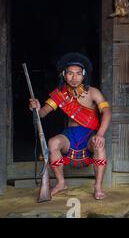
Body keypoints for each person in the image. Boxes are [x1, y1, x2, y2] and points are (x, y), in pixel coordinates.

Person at [29, 52, 111, 200]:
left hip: (88, 137)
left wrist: (100, 134)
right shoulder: (60, 94)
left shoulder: (93, 92)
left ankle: (98, 187)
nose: (74, 78)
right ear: (63, 75)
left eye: (78, 74)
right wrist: (36, 108)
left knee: (99, 145)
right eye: (70, 74)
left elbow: (106, 112)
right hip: (69, 136)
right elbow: (43, 113)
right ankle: (61, 183)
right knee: (53, 142)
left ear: (84, 75)